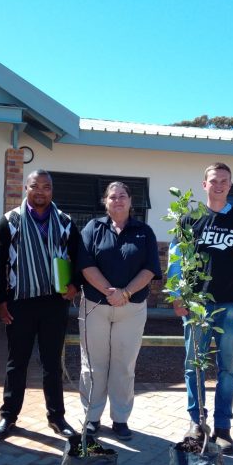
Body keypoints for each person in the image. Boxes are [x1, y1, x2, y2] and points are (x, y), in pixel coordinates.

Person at [168, 163, 233, 455]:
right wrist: (176, 294)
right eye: (213, 180)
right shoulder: (189, 219)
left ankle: (223, 428)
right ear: (204, 184)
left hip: (231, 306)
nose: (219, 184)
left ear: (230, 185)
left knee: (228, 369)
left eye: (224, 181)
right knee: (192, 367)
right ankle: (196, 423)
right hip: (196, 307)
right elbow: (175, 260)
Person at [0, 170, 81, 439]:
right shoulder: (10, 222)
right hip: (20, 302)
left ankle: (57, 417)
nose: (40, 191)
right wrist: (1, 300)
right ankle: (8, 417)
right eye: (35, 186)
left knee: (52, 363)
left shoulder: (65, 222)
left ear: (52, 191)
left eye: (46, 187)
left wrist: (75, 285)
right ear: (25, 188)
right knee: (16, 362)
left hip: (54, 304)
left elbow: (79, 259)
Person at [77, 182, 162, 440]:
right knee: (93, 365)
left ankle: (120, 419)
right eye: (112, 197)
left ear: (130, 201)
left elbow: (150, 269)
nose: (117, 200)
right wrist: (109, 292)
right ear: (105, 201)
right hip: (95, 306)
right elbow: (85, 264)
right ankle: (92, 417)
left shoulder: (143, 231)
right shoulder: (93, 228)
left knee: (124, 366)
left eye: (122, 196)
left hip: (132, 309)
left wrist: (124, 293)